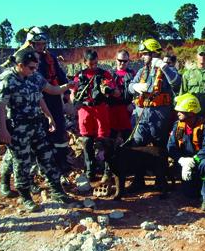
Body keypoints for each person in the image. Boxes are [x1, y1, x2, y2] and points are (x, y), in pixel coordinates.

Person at [0, 49, 73, 212]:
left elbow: (42, 96)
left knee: (47, 157)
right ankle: (25, 196)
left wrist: (49, 116)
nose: (34, 70)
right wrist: (3, 130)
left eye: (35, 67)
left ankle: (57, 190)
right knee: (22, 162)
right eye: (31, 68)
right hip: (19, 128)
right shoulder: (7, 80)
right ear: (20, 65)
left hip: (37, 125)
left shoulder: (34, 77)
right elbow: (0, 107)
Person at [128, 38, 180, 190]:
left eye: (145, 54)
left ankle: (160, 179)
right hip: (142, 116)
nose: (142, 56)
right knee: (138, 146)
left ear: (153, 54)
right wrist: (136, 86)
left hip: (159, 116)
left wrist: (163, 66)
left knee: (160, 147)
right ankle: (139, 179)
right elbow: (130, 87)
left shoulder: (167, 69)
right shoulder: (142, 71)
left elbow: (176, 82)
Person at [26, 27, 72, 174]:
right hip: (35, 99)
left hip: (53, 95)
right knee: (41, 131)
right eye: (37, 44)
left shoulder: (50, 58)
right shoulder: (26, 60)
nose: (40, 46)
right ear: (31, 43)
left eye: (42, 44)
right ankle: (42, 163)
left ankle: (61, 160)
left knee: (59, 126)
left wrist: (66, 93)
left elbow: (60, 74)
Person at [72, 50, 115, 182]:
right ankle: (90, 171)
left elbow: (111, 86)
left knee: (104, 140)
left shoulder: (104, 74)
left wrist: (108, 88)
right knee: (87, 141)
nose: (93, 66)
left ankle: (107, 171)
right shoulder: (79, 75)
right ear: (85, 62)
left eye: (96, 63)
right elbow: (73, 91)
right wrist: (75, 100)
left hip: (101, 109)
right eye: (91, 64)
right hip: (85, 110)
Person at [167, 93, 205, 199]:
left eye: (181, 111)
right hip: (185, 161)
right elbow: (171, 146)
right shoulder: (178, 126)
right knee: (190, 194)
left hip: (200, 160)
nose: (178, 113)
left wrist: (194, 160)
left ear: (191, 113)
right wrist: (182, 160)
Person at [109, 49, 136, 143]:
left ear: (128, 61)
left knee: (127, 140)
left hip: (127, 111)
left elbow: (140, 93)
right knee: (111, 139)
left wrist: (133, 104)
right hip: (112, 112)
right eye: (120, 60)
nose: (122, 63)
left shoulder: (133, 74)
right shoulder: (109, 74)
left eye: (125, 61)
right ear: (116, 60)